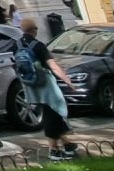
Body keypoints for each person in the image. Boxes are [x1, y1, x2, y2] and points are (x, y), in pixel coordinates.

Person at [17, 18, 78, 161]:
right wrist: (68, 81)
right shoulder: (38, 45)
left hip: (30, 84)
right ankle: (53, 149)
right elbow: (53, 66)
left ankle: (67, 143)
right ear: (35, 30)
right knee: (54, 110)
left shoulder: (17, 44)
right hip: (45, 83)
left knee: (51, 112)